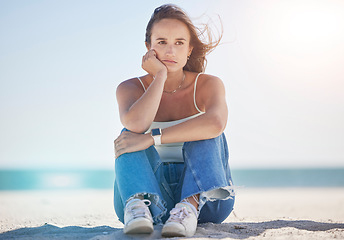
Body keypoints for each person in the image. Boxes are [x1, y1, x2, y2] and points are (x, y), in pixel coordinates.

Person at [113, 4, 235, 237]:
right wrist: (160, 76)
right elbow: (136, 125)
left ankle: (188, 207)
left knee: (206, 129)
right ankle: (138, 207)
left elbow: (216, 123)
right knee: (127, 132)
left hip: (206, 199)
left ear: (189, 49)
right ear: (148, 48)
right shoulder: (129, 88)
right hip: (147, 194)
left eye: (179, 43)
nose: (170, 51)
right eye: (161, 42)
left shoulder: (209, 84)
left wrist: (152, 139)